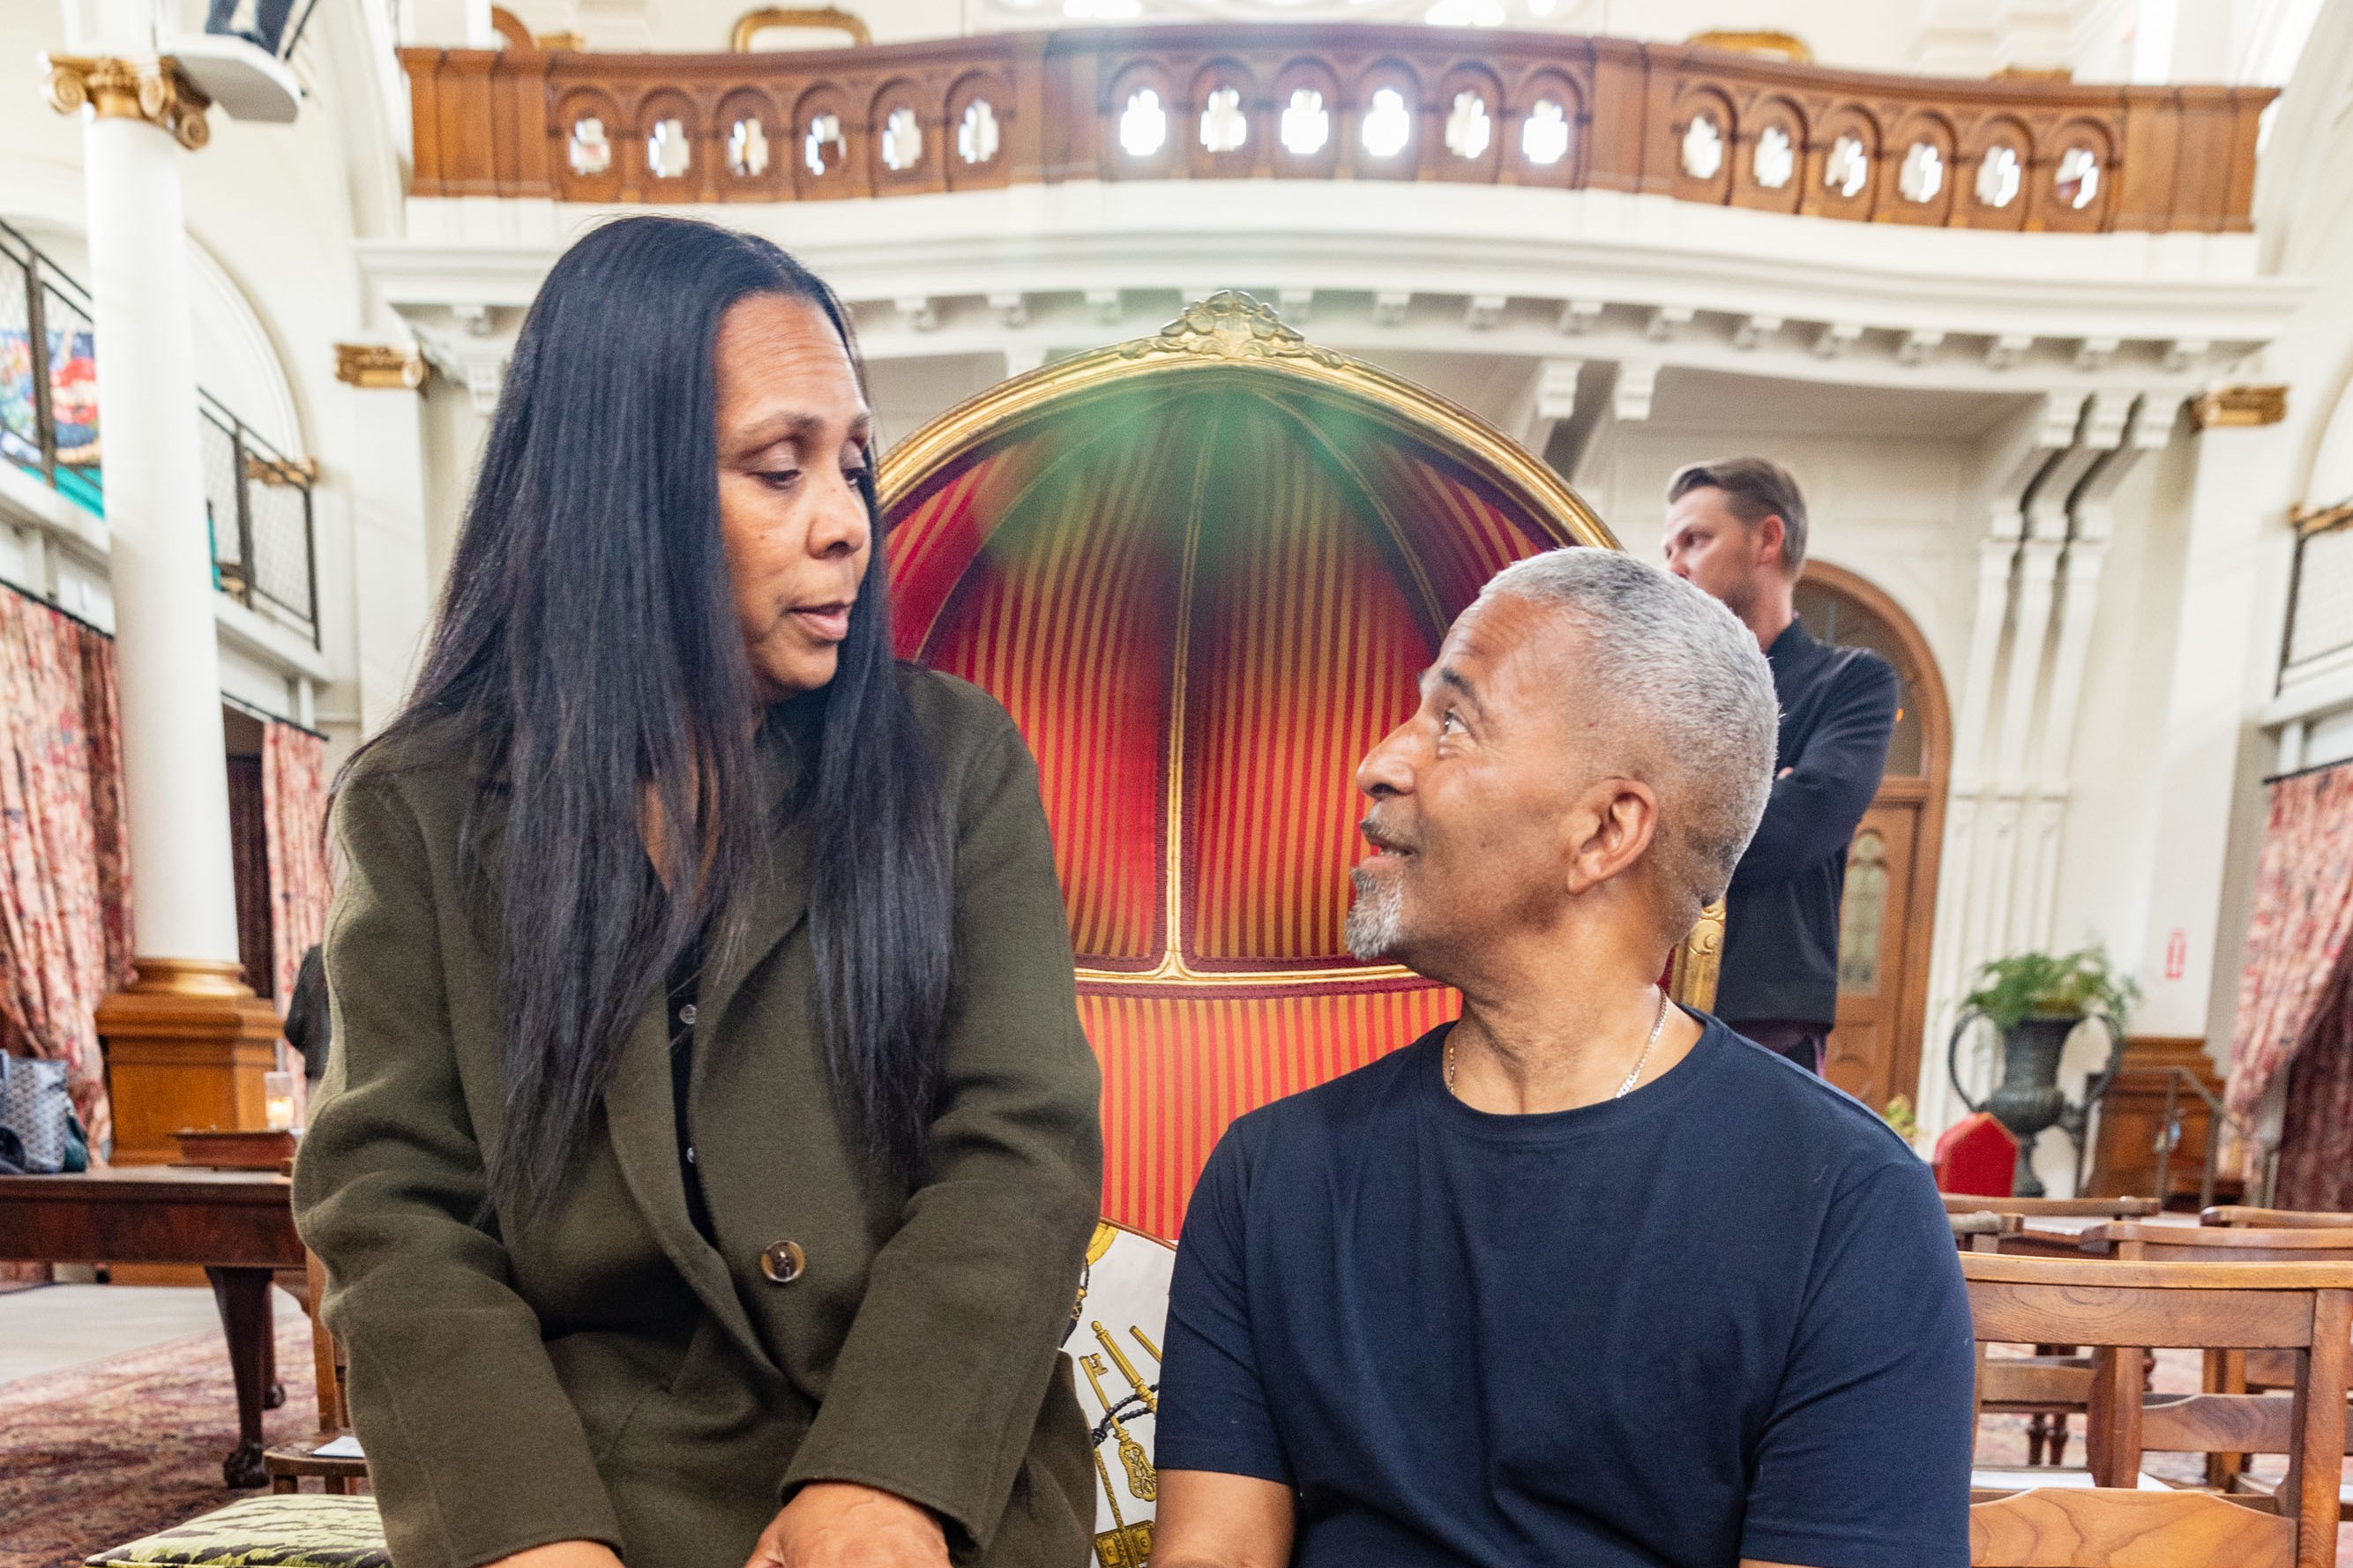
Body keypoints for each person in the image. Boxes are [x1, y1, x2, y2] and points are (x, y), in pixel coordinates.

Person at [294, 217, 1103, 1568]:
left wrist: (889, 1477)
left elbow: (1019, 1152)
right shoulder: (420, 805)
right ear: (623, 488)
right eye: (777, 469)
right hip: (598, 1489)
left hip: (934, 1470)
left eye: (852, 464)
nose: (847, 522)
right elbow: (393, 1210)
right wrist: (522, 1528)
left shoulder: (953, 761)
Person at [1149, 549, 1973, 1568]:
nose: (1380, 760)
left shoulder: (1844, 1204)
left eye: (1452, 721)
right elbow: (1214, 1552)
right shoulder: (1271, 1171)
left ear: (1605, 829)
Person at [1661, 458, 1897, 1075]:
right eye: (1671, 547)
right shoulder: (1661, 691)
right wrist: (1768, 790)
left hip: (1762, 1017)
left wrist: (1662, 818)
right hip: (1645, 998)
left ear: (1768, 538)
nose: (1675, 565)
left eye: (1696, 539)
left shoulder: (1853, 682)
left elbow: (1795, 833)